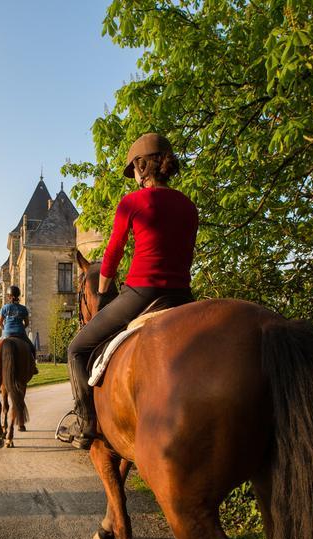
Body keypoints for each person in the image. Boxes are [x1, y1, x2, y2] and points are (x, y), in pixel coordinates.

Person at [67, 133, 199, 450]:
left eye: (134, 170)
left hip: (142, 294)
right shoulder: (188, 205)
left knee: (76, 349)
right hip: (183, 297)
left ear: (142, 167)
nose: (134, 177)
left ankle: (86, 425)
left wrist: (102, 288)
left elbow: (112, 253)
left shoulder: (132, 203)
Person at [0, 285, 38, 375]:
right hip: (20, 333)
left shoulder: (4, 308)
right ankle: (34, 367)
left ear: (8, 296)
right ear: (18, 296)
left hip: (7, 334)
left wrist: (4, 330)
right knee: (32, 348)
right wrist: (21, 328)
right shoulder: (23, 309)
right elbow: (27, 323)